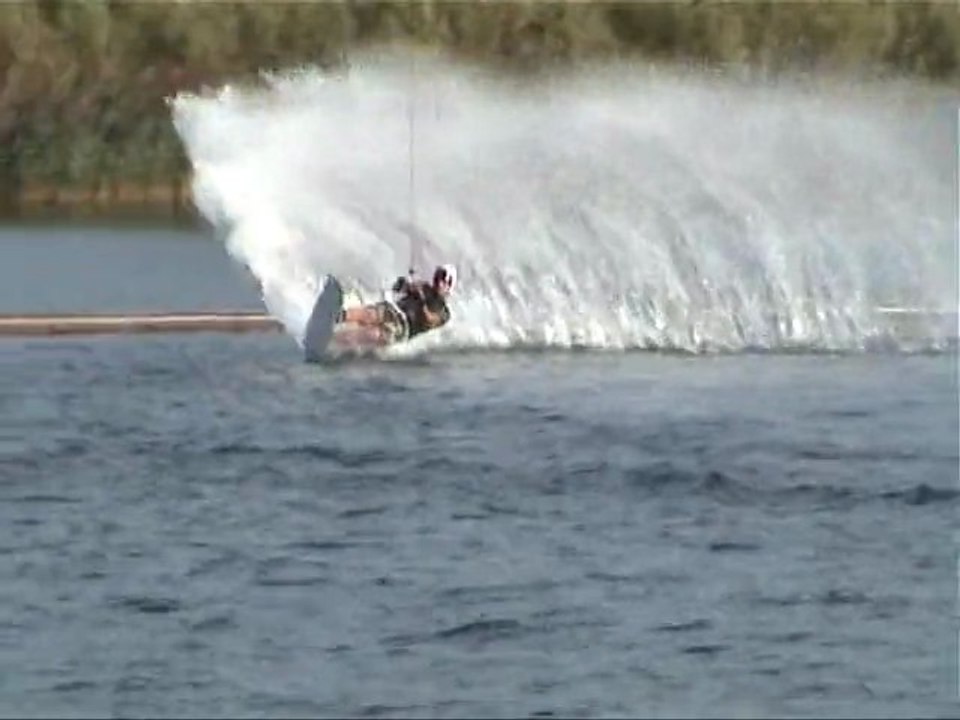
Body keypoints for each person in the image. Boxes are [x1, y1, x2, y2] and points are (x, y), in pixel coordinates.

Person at [339, 264, 457, 345]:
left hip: (401, 330)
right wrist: (405, 284)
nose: (440, 283)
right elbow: (398, 288)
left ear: (450, 286)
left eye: (445, 281)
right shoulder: (423, 286)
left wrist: (422, 299)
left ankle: (337, 340)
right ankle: (336, 316)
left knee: (372, 334)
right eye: (438, 278)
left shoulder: (444, 313)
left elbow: (429, 320)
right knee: (370, 314)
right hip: (393, 310)